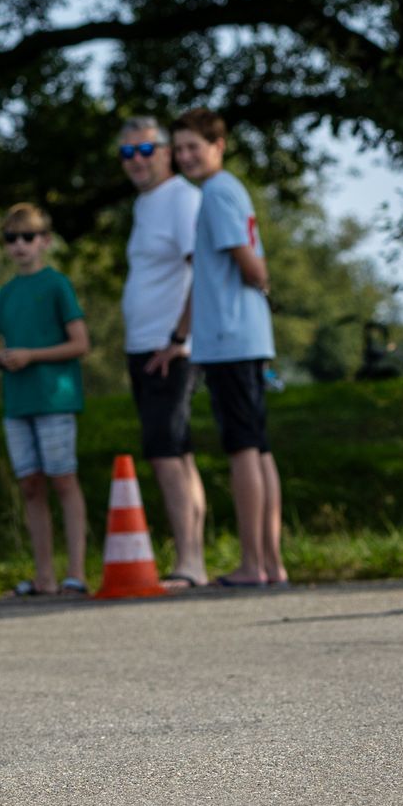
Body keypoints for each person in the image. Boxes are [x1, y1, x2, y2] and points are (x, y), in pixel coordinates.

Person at [155, 108, 286, 588]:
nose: (187, 156)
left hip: (232, 340)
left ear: (218, 145)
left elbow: (250, 265)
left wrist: (262, 281)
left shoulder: (216, 192)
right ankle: (271, 563)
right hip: (239, 338)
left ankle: (255, 563)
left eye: (195, 146)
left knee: (243, 450)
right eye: (180, 148)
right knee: (259, 448)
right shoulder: (224, 190)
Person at [117, 116, 208, 588]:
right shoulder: (147, 203)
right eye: (127, 153)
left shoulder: (181, 200)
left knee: (168, 452)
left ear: (166, 150)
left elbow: (202, 272)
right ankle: (194, 560)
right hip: (147, 345)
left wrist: (179, 339)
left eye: (145, 150)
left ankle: (190, 562)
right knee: (175, 451)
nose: (137, 161)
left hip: (168, 348)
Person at [0, 203, 92, 596]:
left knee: (64, 480)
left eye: (28, 237)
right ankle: (44, 576)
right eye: (12, 238)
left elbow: (81, 343)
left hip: (55, 399)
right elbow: (6, 343)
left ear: (44, 241)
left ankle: (75, 572)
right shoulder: (6, 292)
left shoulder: (57, 284)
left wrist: (31, 355)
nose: (20, 245)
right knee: (30, 486)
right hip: (18, 402)